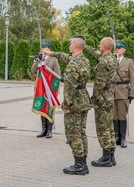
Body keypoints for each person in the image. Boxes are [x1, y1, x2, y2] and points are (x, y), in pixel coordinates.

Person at [42, 35, 92, 175]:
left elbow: (69, 87)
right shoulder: (84, 60)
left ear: (75, 45)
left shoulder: (72, 64)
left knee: (73, 134)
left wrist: (67, 106)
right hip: (83, 100)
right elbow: (64, 56)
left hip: (74, 102)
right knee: (81, 132)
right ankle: (83, 162)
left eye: (70, 43)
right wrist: (50, 53)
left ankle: (79, 165)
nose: (69, 45)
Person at [85, 37, 117, 167]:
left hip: (102, 97)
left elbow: (99, 83)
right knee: (109, 127)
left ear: (104, 46)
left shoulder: (104, 62)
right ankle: (111, 156)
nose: (99, 45)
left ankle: (106, 158)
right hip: (109, 95)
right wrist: (84, 45)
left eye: (100, 44)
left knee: (102, 127)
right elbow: (96, 53)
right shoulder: (112, 58)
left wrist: (95, 100)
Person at [31, 40, 61, 138]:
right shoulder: (39, 59)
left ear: (49, 49)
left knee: (50, 108)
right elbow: (33, 71)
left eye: (44, 48)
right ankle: (43, 129)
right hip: (41, 89)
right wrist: (37, 61)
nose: (42, 49)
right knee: (41, 107)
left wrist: (54, 88)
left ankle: (49, 130)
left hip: (50, 89)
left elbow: (57, 75)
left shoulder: (53, 60)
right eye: (41, 48)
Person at [113, 40, 134, 148]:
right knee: (114, 116)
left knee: (122, 115)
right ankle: (116, 137)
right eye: (116, 47)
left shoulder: (128, 62)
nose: (117, 49)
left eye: (119, 47)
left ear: (124, 50)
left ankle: (123, 138)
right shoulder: (111, 61)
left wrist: (132, 94)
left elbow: (133, 80)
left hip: (123, 92)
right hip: (112, 91)